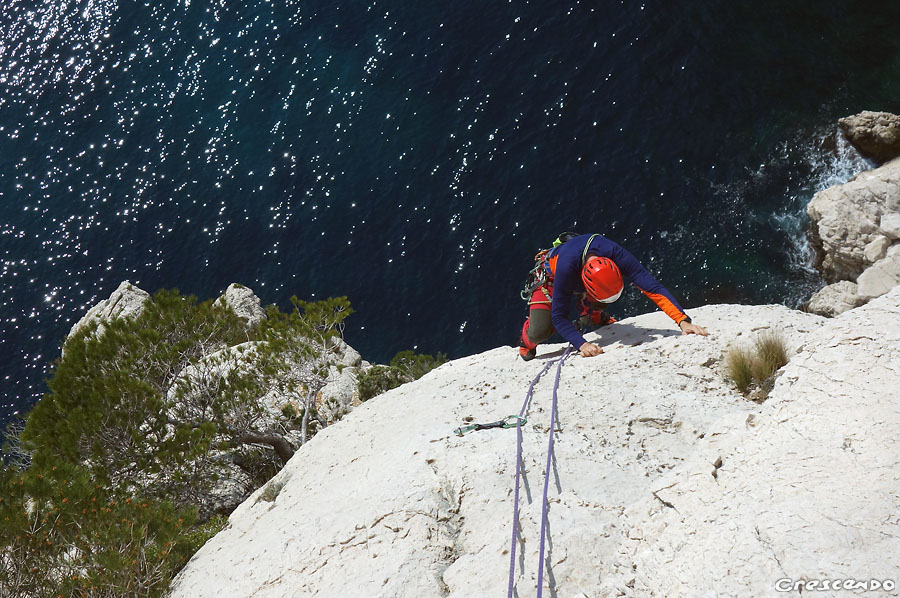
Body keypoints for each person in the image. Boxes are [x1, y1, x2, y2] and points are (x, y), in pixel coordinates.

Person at [518, 233, 708, 360]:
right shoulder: (566, 268)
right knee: (540, 332)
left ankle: (595, 316)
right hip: (551, 279)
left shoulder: (615, 253)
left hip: (584, 273)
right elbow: (559, 317)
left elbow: (651, 286)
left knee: (602, 296)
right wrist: (581, 344)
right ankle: (526, 339)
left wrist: (683, 321)